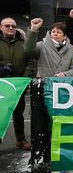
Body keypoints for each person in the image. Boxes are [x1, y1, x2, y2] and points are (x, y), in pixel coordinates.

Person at [0, 17, 33, 150]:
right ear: (1, 27)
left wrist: (24, 79)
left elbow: (30, 62)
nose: (11, 28)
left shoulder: (24, 42)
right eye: (7, 26)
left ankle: (21, 140)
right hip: (1, 86)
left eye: (13, 26)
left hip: (18, 85)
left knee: (19, 114)